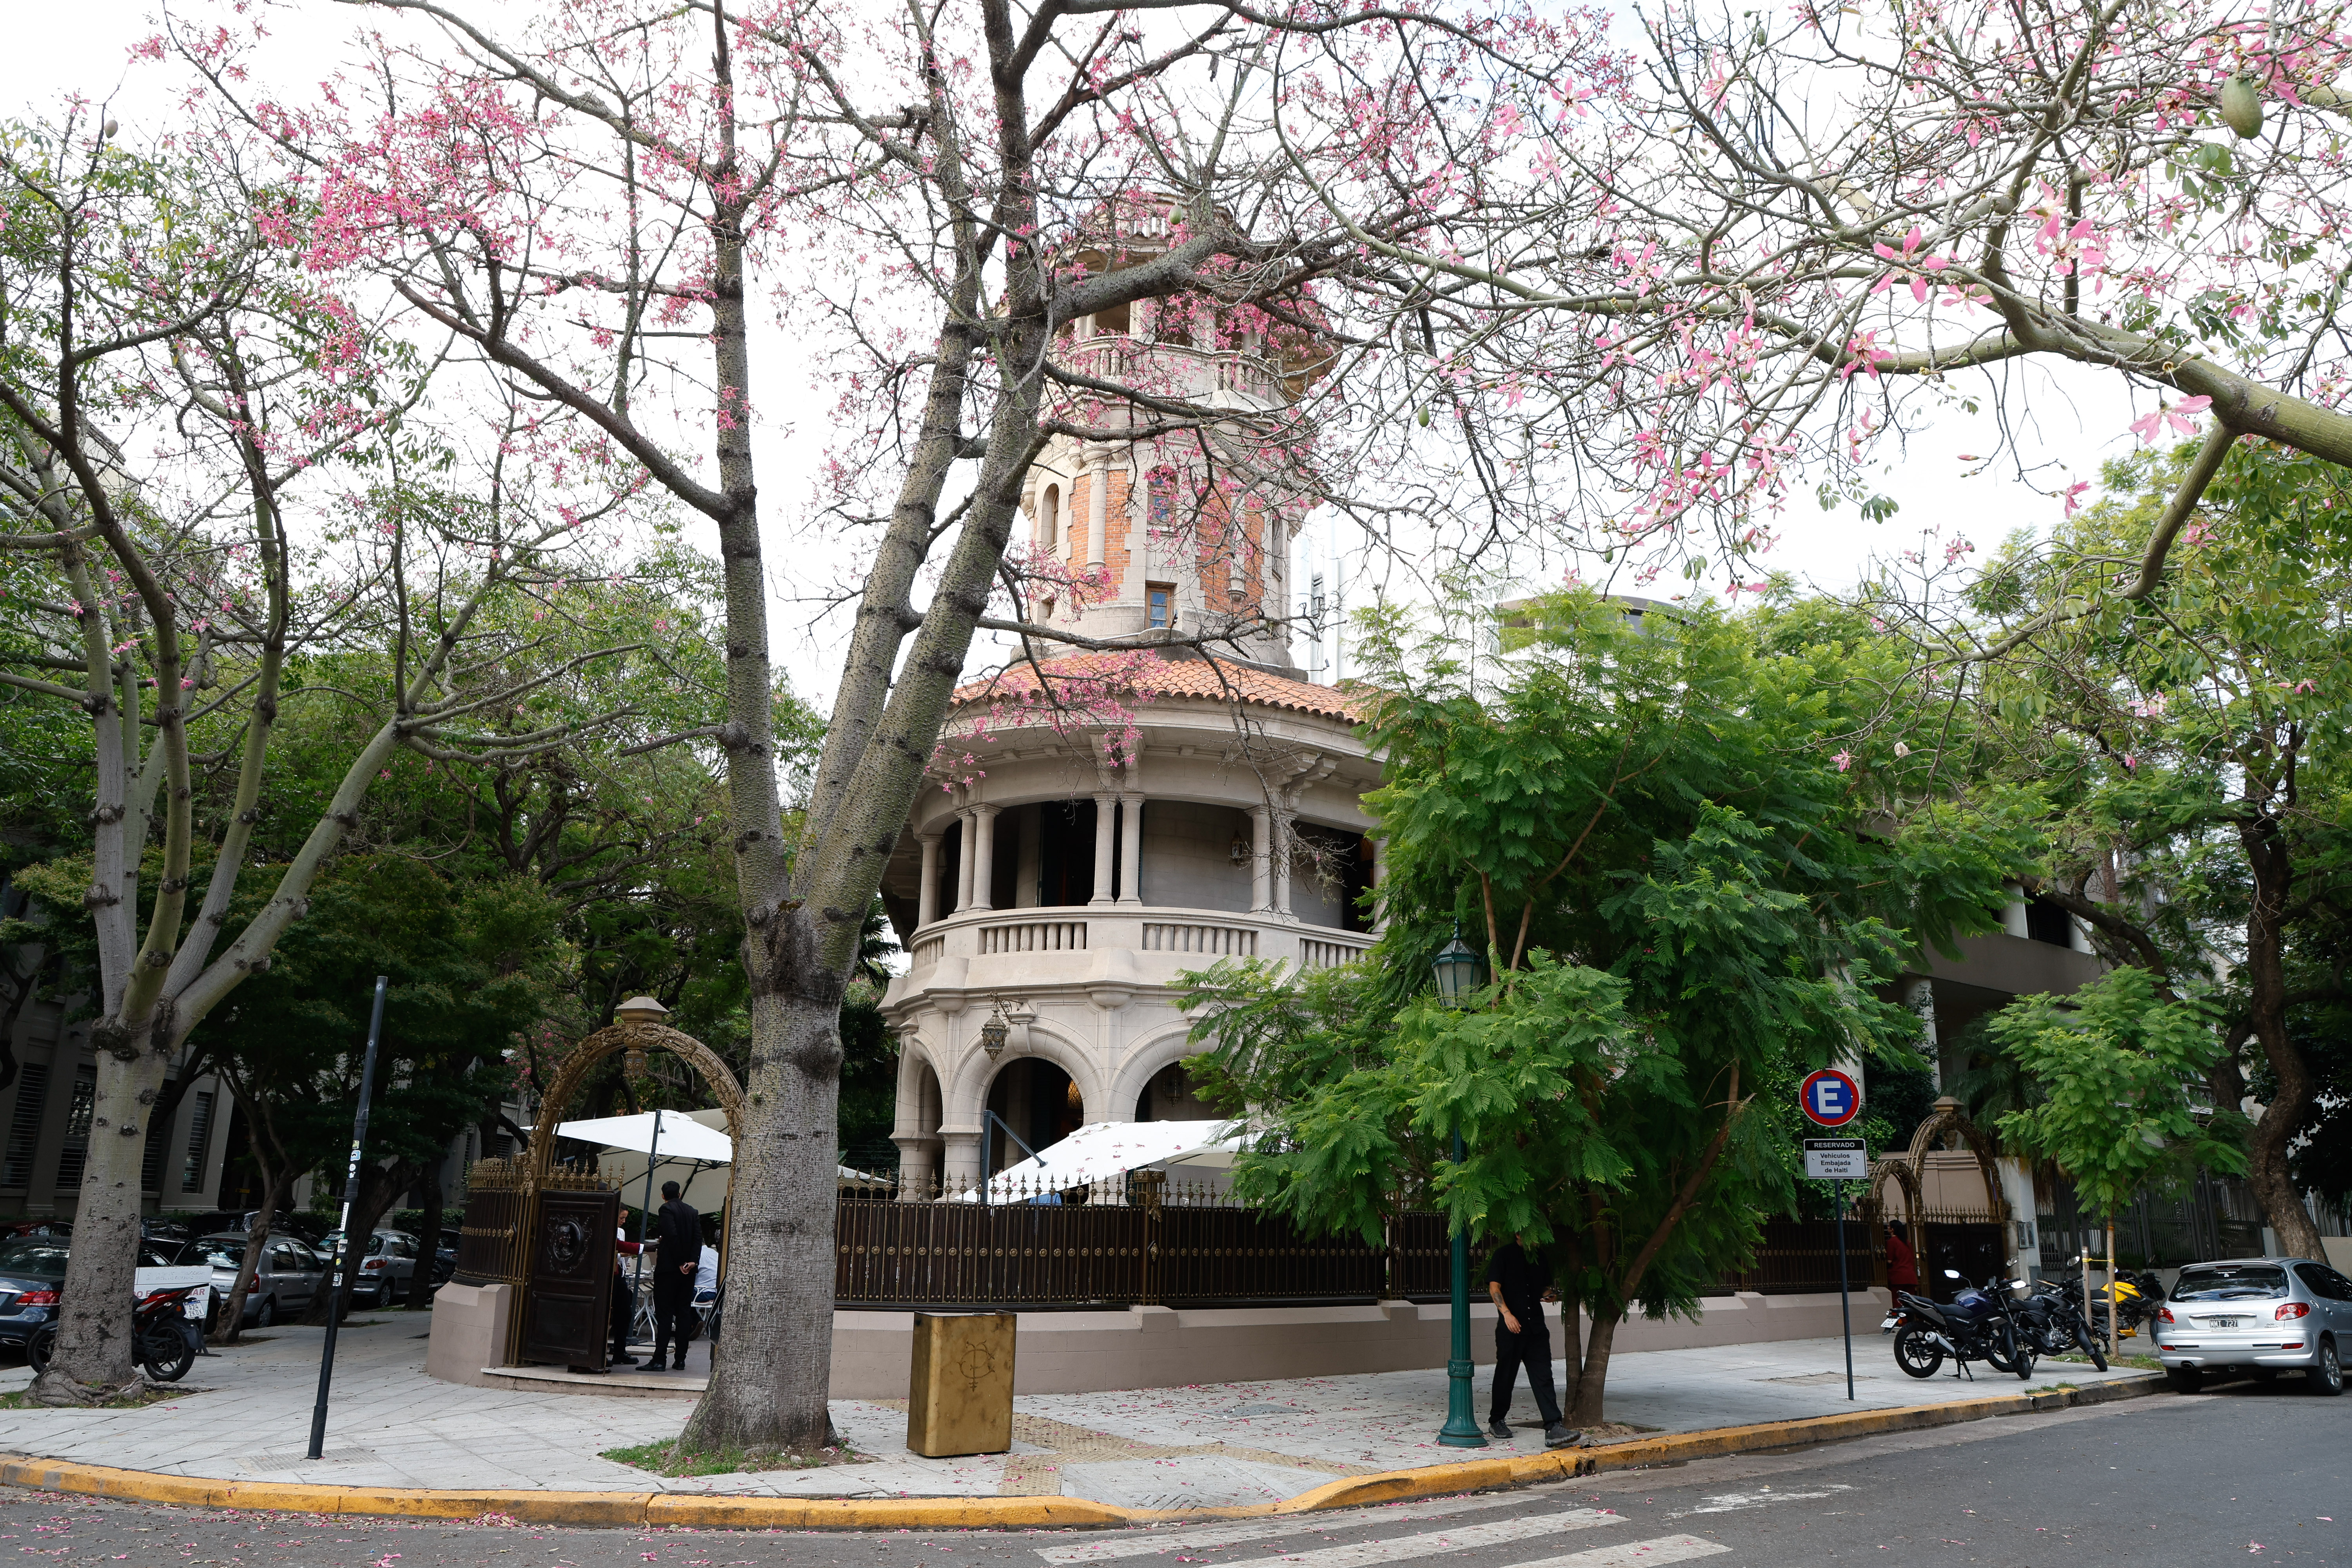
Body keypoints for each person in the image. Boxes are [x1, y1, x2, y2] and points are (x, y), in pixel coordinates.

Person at [1484, 1236, 1579, 1450]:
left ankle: (1554, 1427)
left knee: (1544, 1377)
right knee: (1506, 1375)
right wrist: (1507, 1314)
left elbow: (1541, 1288)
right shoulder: (1503, 1255)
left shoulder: (1540, 1257)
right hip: (1512, 1328)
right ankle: (1497, 1421)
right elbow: (1495, 1288)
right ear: (1519, 1235)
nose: (1537, 1238)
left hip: (1536, 1328)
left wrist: (1548, 1294)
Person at [650, 1181, 701, 1370]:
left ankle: (660, 1359)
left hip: (669, 1270)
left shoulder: (666, 1210)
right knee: (684, 1313)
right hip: (689, 1270)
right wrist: (692, 1261)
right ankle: (680, 1359)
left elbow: (671, 1236)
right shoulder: (692, 1212)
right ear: (679, 1194)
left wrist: (680, 1262)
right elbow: (697, 1238)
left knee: (665, 1314)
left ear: (663, 1196)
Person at [608, 1226, 639, 1368]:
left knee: (625, 1313)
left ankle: (620, 1351)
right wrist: (623, 1254)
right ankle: (601, 1352)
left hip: (620, 1273)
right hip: (610, 1273)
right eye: (621, 1217)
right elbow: (613, 1252)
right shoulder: (607, 1229)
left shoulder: (621, 1232)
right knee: (605, 1315)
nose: (623, 1221)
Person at [1885, 1218, 1920, 1298]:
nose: (1888, 1228)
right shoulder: (1907, 1242)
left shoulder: (1892, 1242)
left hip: (1898, 1276)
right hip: (1911, 1277)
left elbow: (1890, 1260)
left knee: (1897, 1300)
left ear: (1893, 1229)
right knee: (1910, 1300)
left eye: (1889, 1226)